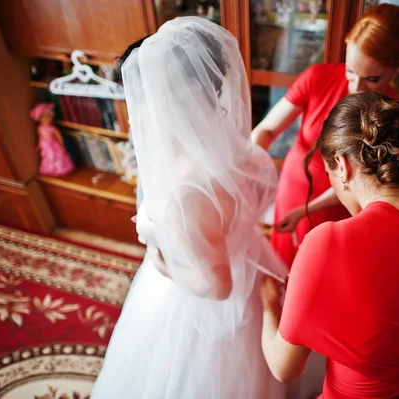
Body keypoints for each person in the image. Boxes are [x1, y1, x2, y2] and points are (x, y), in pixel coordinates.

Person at [92, 17, 288, 398]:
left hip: (201, 303)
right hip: (250, 263)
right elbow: (258, 202)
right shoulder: (239, 148)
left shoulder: (184, 190)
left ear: (160, 99)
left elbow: (217, 288)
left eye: (138, 97)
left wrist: (162, 260)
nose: (133, 113)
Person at [260, 93, 399, 398]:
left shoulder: (326, 243)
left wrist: (270, 305)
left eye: (328, 174)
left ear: (341, 166)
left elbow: (283, 368)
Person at [252, 4, 399, 267]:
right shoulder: (317, 77)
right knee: (281, 263)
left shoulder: (395, 115)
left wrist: (306, 211)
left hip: (340, 204)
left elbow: (364, 180)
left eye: (372, 79)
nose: (355, 86)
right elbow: (267, 130)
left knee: (320, 269)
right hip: (295, 187)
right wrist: (244, 177)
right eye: (350, 70)